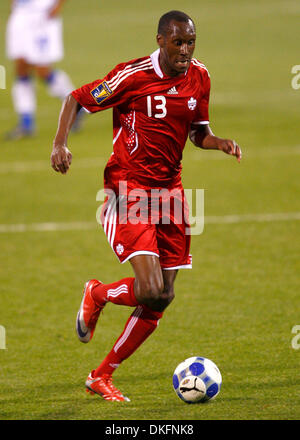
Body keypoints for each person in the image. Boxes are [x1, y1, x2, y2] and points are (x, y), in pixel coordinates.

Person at [51, 10, 242, 402]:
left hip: (171, 193)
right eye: (178, 43)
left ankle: (100, 375)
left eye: (191, 42)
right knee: (151, 288)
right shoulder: (132, 76)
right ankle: (99, 295)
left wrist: (218, 141)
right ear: (160, 40)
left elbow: (197, 132)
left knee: (163, 297)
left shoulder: (200, 76)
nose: (185, 50)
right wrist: (59, 143)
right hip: (129, 188)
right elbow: (77, 98)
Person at [5, 0, 82, 140]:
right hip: (20, 15)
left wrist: (58, 5)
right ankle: (26, 123)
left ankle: (75, 106)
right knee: (21, 69)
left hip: (43, 15)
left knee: (42, 70)